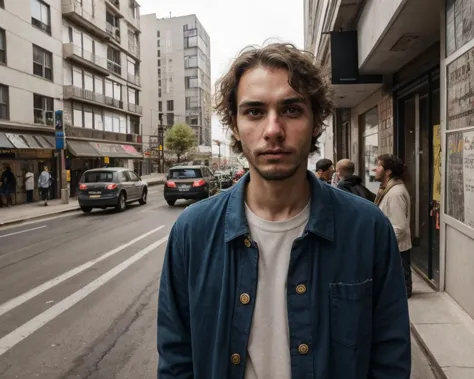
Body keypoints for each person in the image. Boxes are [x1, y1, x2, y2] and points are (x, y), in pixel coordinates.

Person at [157, 43, 411, 379]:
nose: (273, 129)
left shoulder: (367, 228)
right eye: (254, 111)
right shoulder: (192, 232)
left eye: (291, 110)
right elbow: (176, 359)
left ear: (316, 121)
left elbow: (390, 358)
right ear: (234, 125)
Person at [373, 154, 413, 297]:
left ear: (388, 171)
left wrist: (383, 245)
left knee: (400, 292)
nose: (374, 169)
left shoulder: (395, 193)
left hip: (396, 250)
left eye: (378, 166)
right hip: (394, 248)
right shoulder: (389, 189)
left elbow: (399, 227)